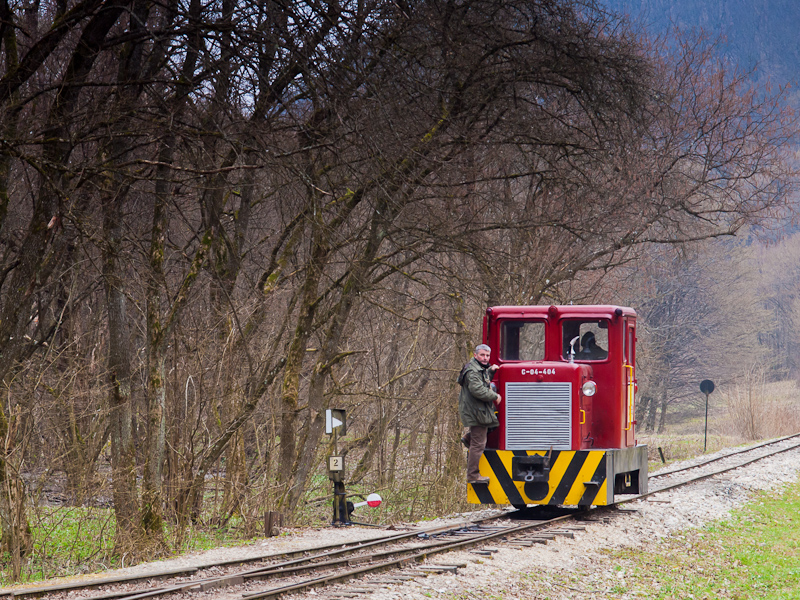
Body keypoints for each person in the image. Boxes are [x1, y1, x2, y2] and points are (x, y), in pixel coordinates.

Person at [458, 344, 502, 484]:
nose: (485, 358)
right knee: (478, 445)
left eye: (487, 355)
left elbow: (481, 379)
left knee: (492, 424)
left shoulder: (479, 369)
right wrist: (494, 396)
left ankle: (468, 437)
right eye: (482, 355)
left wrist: (490, 371)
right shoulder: (472, 370)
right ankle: (473, 475)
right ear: (475, 355)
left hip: (479, 410)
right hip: (476, 411)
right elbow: (477, 389)